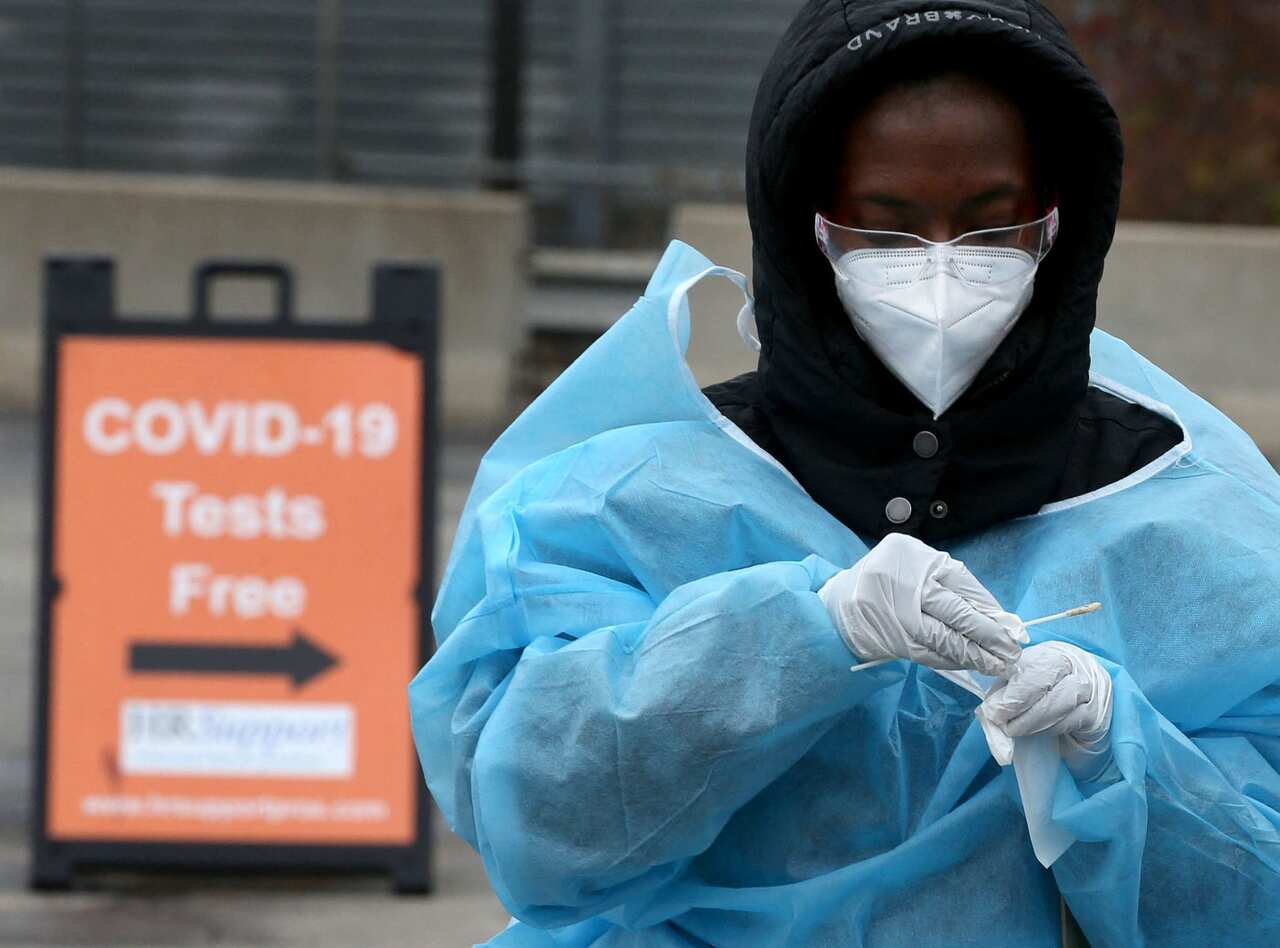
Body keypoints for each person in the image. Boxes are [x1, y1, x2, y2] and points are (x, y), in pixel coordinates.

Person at [411, 2, 1280, 945]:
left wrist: (1118, 750)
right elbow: (535, 827)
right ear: (803, 228)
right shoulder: (643, 495)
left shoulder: (1191, 516)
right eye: (888, 229)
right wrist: (795, 637)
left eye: (992, 228)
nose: (942, 274)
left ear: (1062, 225)